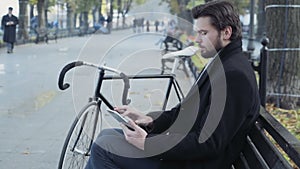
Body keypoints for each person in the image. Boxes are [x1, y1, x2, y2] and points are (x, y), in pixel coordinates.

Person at [85, 1, 260, 169]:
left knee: (104, 147)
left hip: (194, 164)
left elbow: (208, 142)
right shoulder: (222, 63)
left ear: (226, 33)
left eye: (204, 33)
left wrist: (148, 143)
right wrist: (150, 120)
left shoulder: (234, 75)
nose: (197, 39)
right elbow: (184, 111)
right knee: (106, 136)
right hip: (185, 156)